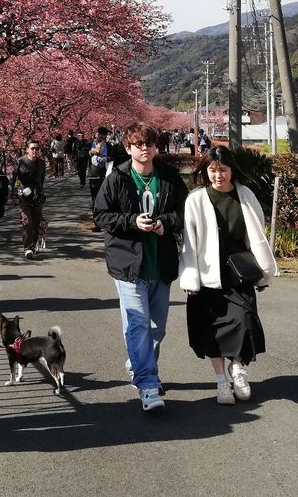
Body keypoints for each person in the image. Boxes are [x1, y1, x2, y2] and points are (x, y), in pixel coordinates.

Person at [94, 122, 186, 412]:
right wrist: (132, 221)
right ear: (128, 147)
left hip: (161, 264)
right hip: (128, 265)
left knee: (157, 328)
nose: (144, 149)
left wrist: (165, 223)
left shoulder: (169, 178)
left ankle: (137, 364)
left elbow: (183, 213)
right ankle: (147, 384)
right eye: (138, 144)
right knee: (138, 324)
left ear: (156, 146)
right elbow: (101, 215)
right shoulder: (118, 177)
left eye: (149, 143)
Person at [178, 146, 277, 404]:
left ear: (232, 170)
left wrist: (262, 271)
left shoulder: (245, 194)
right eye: (212, 170)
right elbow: (189, 241)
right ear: (205, 171)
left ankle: (238, 369)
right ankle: (221, 381)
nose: (218, 175)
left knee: (244, 321)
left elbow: (258, 233)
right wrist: (190, 278)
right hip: (207, 273)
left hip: (239, 271)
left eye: (223, 169)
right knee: (212, 329)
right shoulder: (196, 199)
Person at [13, 140, 48, 259]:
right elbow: (13, 179)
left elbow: (41, 179)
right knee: (27, 222)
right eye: (32, 148)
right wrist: (13, 194)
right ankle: (27, 248)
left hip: (37, 196)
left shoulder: (41, 163)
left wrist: (40, 192)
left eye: (37, 149)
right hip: (24, 196)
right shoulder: (20, 162)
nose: (35, 151)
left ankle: (33, 245)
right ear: (27, 149)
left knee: (36, 222)